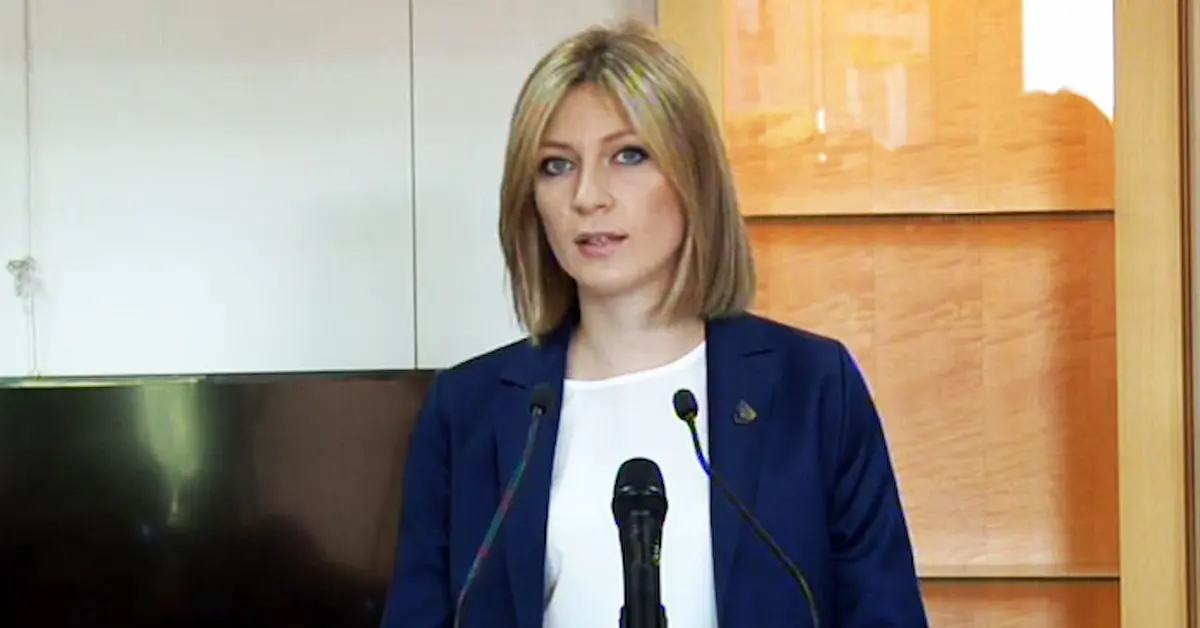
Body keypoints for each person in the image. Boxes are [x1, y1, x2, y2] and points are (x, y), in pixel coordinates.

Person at [381, 20, 928, 628]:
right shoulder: (468, 411)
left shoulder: (814, 387)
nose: (588, 196)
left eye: (629, 156)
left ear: (693, 177)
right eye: (556, 165)